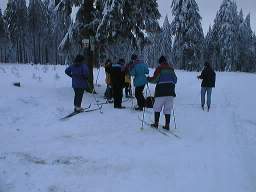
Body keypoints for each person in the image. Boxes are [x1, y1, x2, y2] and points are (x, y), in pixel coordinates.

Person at [148, 56, 177, 130]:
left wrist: (148, 79)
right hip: (170, 92)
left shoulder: (159, 69)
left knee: (157, 108)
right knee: (168, 109)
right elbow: (175, 80)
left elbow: (155, 80)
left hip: (160, 92)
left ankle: (156, 123)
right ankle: (167, 125)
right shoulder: (171, 69)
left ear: (160, 62)